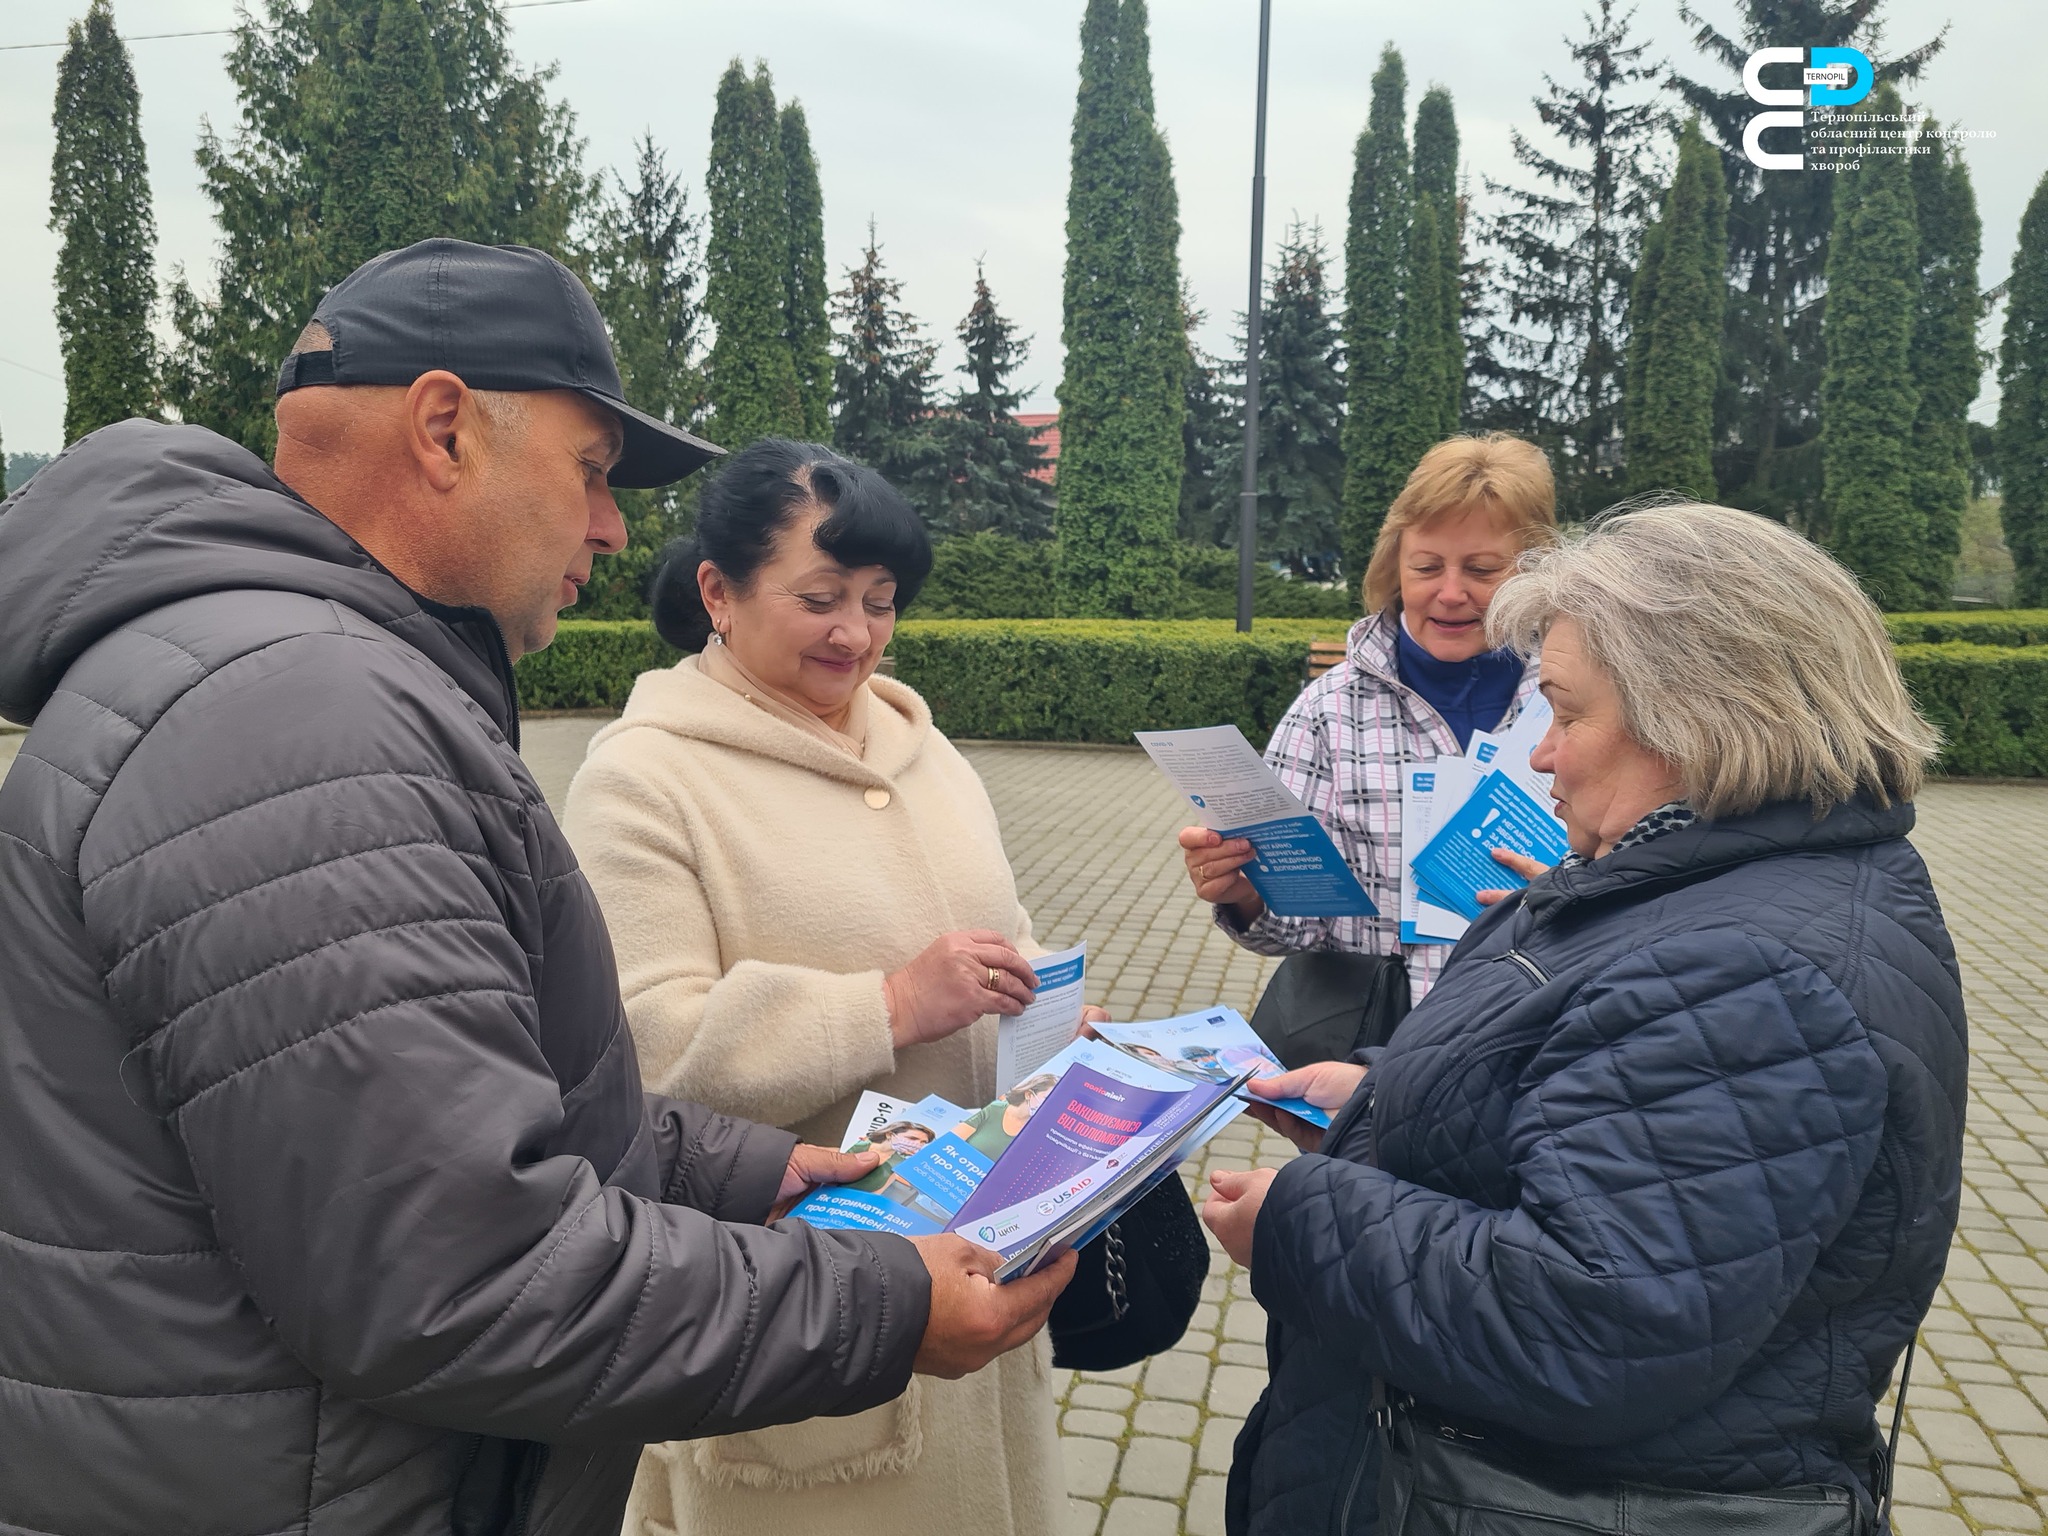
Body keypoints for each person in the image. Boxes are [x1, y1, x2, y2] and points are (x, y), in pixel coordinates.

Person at [0, 239, 1070, 1536]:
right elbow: (464, 1273)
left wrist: (750, 1171)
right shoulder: (297, 722)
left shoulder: (284, 678)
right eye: (593, 470)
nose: (617, 530)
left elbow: (475, 1098)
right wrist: (885, 1305)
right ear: (445, 429)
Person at [1201, 503, 1967, 1535]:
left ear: (1694, 718)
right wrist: (1376, 1105)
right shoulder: (1731, 883)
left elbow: (1586, 1319)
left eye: (1562, 713)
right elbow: (1601, 1121)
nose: (1541, 758)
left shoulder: (1744, 972)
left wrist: (1301, 1218)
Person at [561, 441, 1102, 1536]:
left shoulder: (921, 744)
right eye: (819, 599)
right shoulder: (644, 777)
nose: (854, 633)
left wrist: (1052, 1022)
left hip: (978, 1279)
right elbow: (641, 1052)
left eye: (878, 600)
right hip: (805, 1320)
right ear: (717, 590)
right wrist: (889, 1005)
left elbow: (1001, 940)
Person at [1179, 433, 1560, 1001]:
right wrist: (1243, 891)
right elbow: (1296, 925)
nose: (1450, 593)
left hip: (1539, 1040)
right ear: (1394, 566)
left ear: (1535, 571)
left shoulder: (1576, 704)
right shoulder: (1328, 714)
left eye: (1482, 570)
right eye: (1427, 567)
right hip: (1371, 1053)